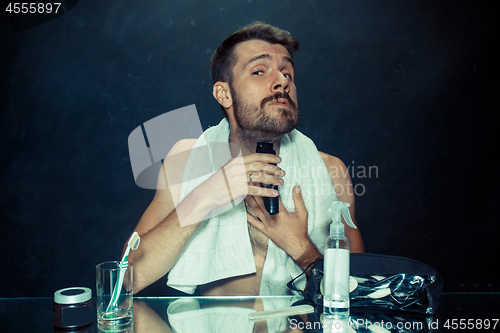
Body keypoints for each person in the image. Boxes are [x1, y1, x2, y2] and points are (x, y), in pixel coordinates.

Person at [128, 22, 364, 296]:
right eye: (259, 71)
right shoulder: (187, 160)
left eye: (287, 72)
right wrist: (204, 196)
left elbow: (361, 298)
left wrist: (301, 248)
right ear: (224, 94)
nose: (282, 82)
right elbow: (126, 280)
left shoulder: (331, 171)